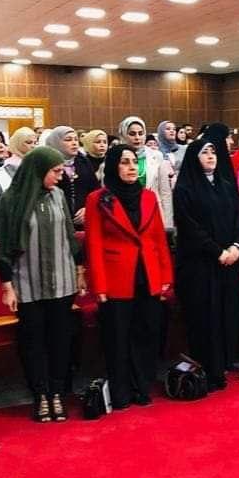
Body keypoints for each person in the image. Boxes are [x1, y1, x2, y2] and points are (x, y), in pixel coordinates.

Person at [0, 146, 86, 422]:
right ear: (38, 170)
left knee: (60, 339)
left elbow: (70, 235)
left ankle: (57, 392)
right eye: (55, 171)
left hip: (61, 281)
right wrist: (7, 285)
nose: (59, 177)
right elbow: (3, 246)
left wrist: (80, 270)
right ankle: (40, 395)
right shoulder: (11, 199)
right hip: (28, 282)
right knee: (33, 341)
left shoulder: (58, 195)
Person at [85, 145, 172, 408]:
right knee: (118, 337)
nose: (132, 167)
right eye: (125, 162)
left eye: (134, 162)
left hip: (148, 273)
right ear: (113, 166)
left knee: (146, 333)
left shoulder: (148, 196)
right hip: (116, 277)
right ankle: (121, 392)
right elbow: (94, 244)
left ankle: (142, 387)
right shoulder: (98, 199)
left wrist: (165, 276)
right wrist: (99, 285)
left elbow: (158, 238)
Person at [173, 126, 239, 390]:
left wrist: (236, 246)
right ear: (194, 158)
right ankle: (207, 368)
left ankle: (225, 361)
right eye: (205, 152)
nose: (211, 156)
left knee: (227, 312)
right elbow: (190, 228)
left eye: (213, 151)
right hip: (201, 264)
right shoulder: (185, 189)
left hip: (229, 261)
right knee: (206, 317)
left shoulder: (225, 185)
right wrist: (218, 251)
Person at [119, 116, 175, 234]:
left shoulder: (156, 156)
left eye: (141, 133)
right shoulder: (116, 157)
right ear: (123, 135)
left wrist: (167, 224)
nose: (137, 137)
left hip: (152, 210)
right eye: (132, 134)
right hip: (124, 211)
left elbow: (165, 192)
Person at [44, 125, 99, 229]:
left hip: (84, 221)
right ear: (56, 142)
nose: (74, 143)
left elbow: (95, 189)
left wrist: (88, 208)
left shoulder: (83, 161)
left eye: (76, 139)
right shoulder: (47, 163)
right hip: (56, 221)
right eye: (68, 140)